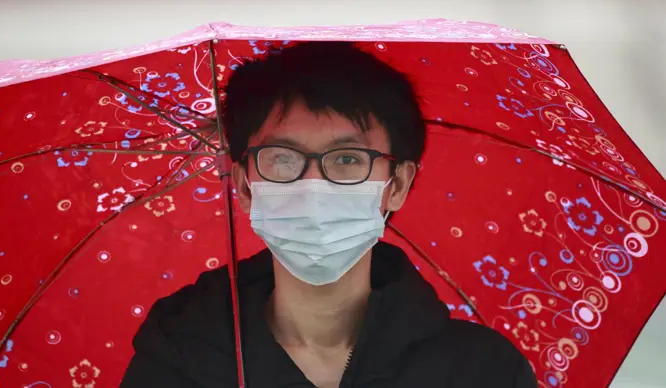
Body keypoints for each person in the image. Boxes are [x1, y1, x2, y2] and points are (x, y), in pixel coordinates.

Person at [120, 42, 537, 388]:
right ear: (244, 186)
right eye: (283, 158)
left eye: (348, 159)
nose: (313, 185)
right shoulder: (177, 363)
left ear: (397, 185)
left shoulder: (483, 371)